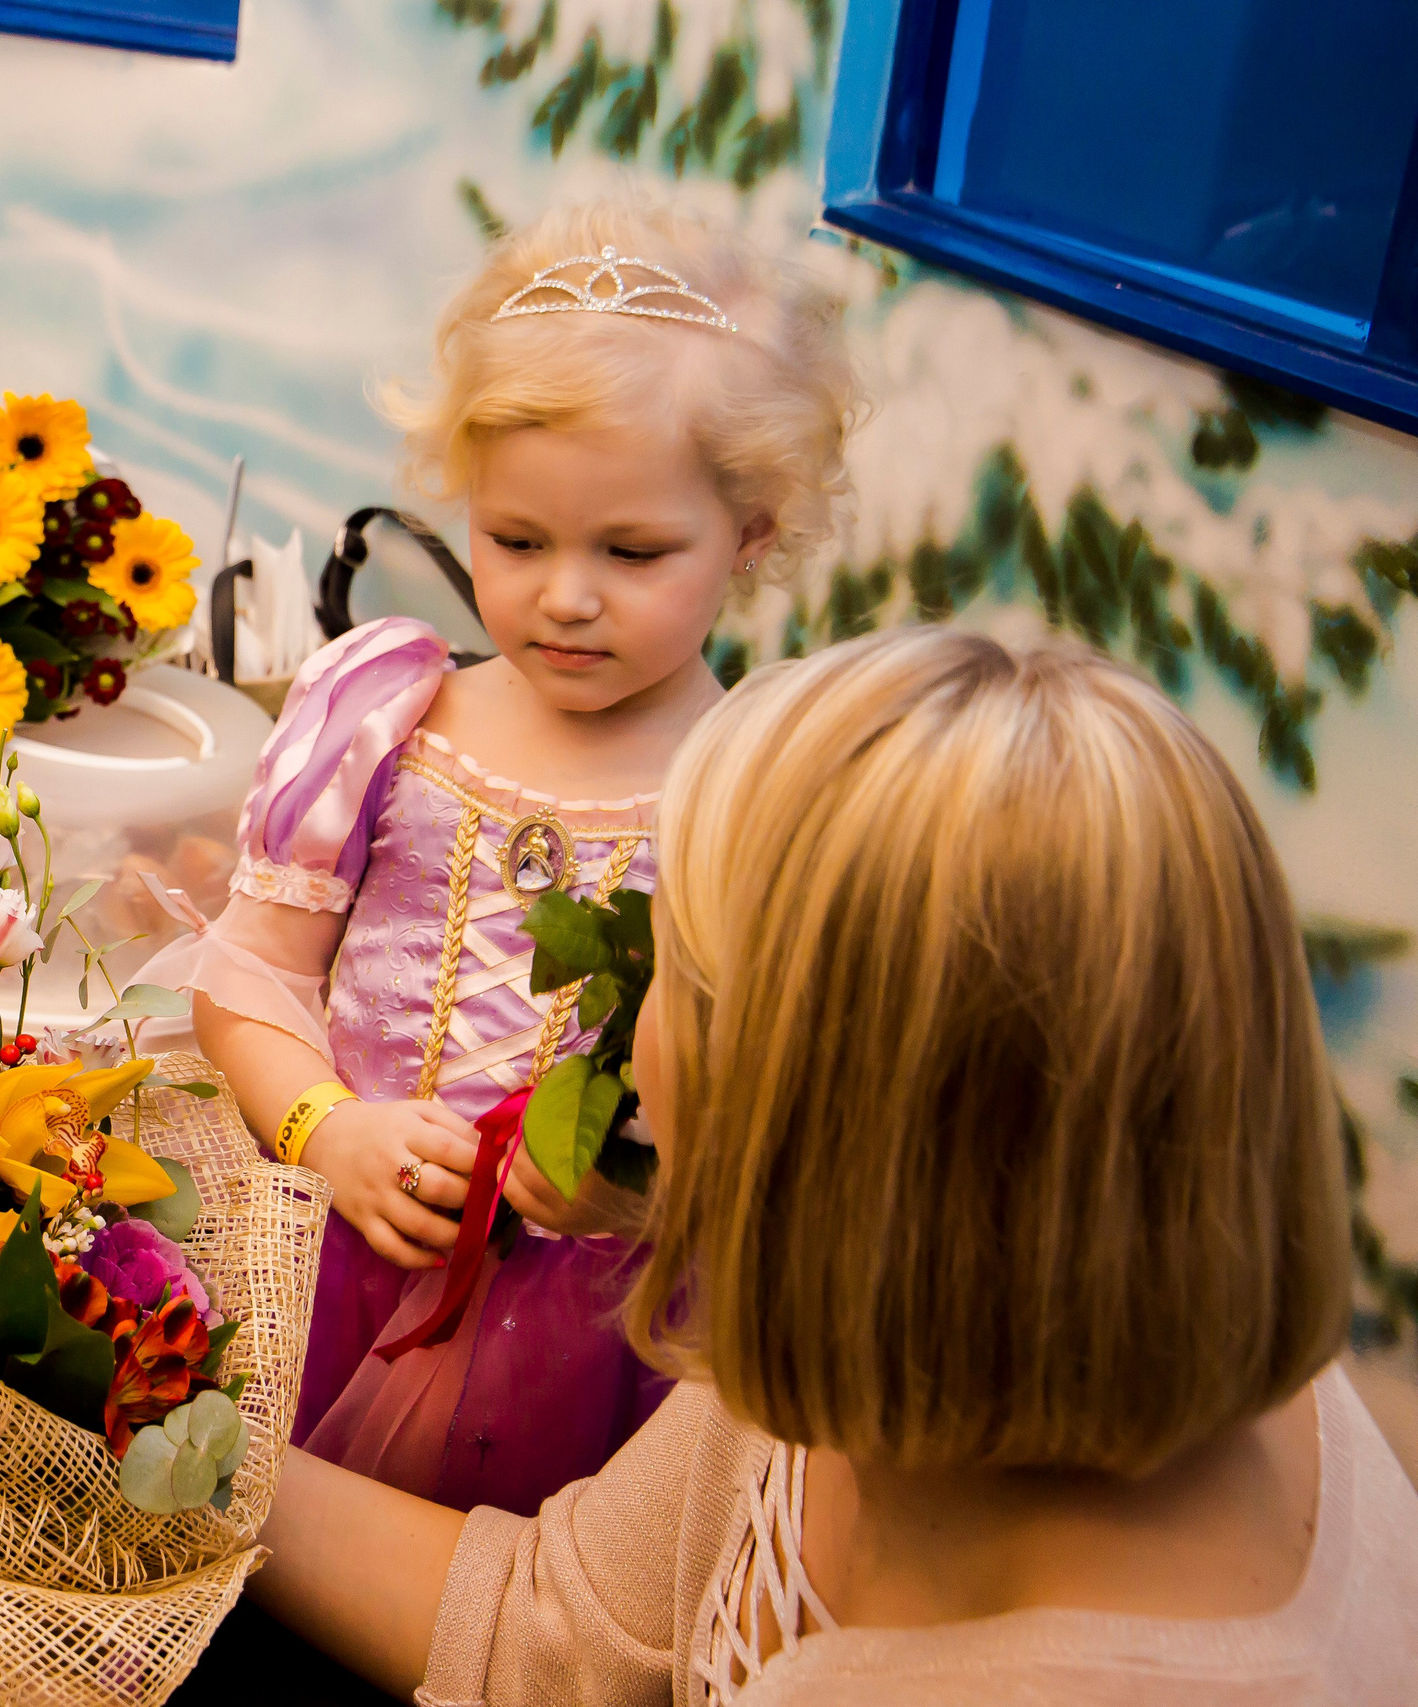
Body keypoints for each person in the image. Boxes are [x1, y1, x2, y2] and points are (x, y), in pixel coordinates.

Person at [246, 626, 1418, 1705]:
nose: (632, 1058)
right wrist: (194, 1453)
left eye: (674, 977)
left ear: (826, 1116)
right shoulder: (910, 1314)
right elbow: (562, 1632)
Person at [137, 202, 857, 1514]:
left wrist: (653, 1191)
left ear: (750, 534)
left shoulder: (763, 789)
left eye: (632, 551)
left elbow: (805, 1106)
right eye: (516, 540)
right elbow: (248, 974)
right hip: (343, 1264)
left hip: (610, 1334)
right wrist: (325, 1126)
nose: (564, 595)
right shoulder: (391, 713)